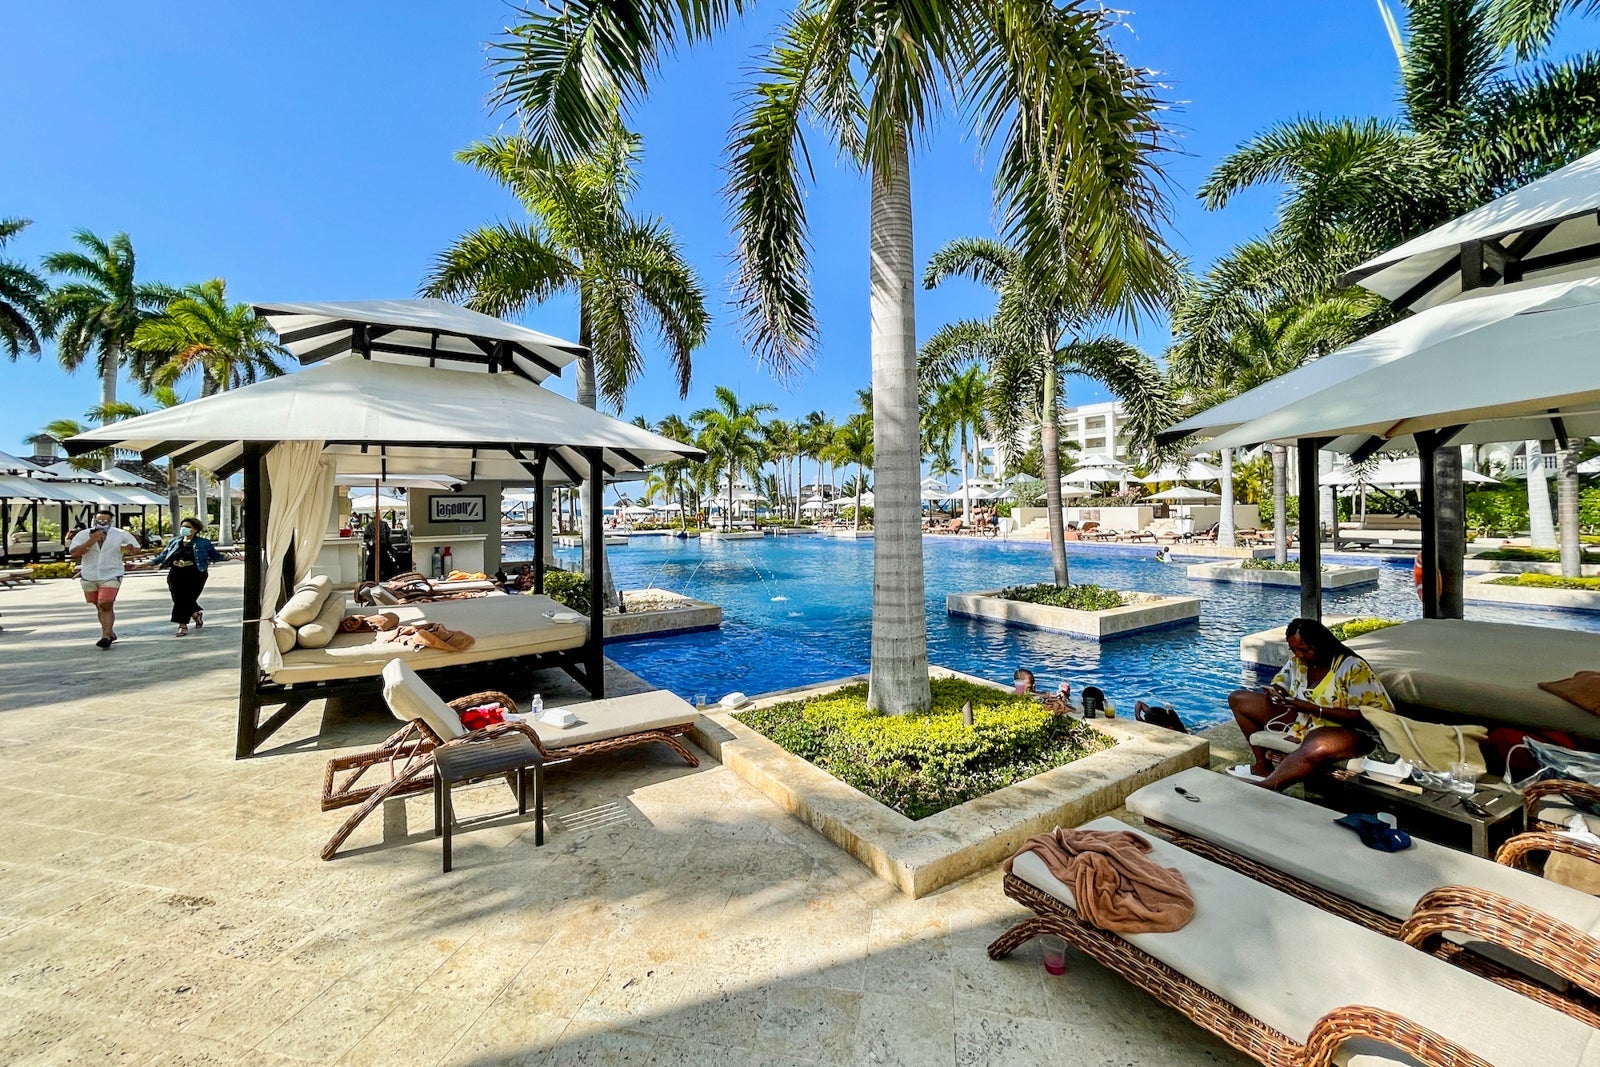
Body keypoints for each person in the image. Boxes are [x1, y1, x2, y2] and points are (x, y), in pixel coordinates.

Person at [1227, 617, 1394, 790]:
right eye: (1293, 649)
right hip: (1304, 722)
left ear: (1320, 645)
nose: (1298, 655)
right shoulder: (1298, 662)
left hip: (1350, 731)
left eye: (1304, 650)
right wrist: (1276, 693)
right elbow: (1282, 681)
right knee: (1239, 699)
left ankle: (1269, 786)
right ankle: (1262, 768)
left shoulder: (1352, 667)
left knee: (1316, 742)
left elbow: (1373, 716)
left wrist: (1315, 709)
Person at [68, 509, 144, 649]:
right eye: (99, 520)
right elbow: (74, 553)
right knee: (99, 605)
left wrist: (130, 549)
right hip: (89, 574)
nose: (102, 523)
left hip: (111, 573)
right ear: (93, 520)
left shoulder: (120, 534)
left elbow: (137, 549)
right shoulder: (83, 535)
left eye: (106, 521)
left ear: (111, 521)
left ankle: (105, 636)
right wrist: (92, 541)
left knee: (105, 603)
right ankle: (109, 631)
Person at [149, 517, 225, 636]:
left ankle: (182, 625)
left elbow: (216, 556)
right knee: (178, 598)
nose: (184, 529)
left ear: (195, 529)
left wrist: (232, 557)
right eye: (183, 526)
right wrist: (146, 564)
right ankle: (195, 614)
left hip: (196, 573)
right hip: (176, 573)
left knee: (186, 598)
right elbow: (162, 556)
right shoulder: (174, 541)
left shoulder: (203, 543)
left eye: (188, 527)